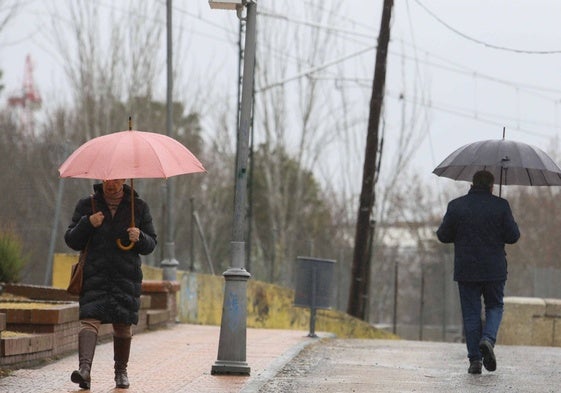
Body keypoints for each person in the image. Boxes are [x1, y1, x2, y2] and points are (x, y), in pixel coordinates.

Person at [65, 179, 157, 389]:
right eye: (107, 180)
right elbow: (71, 240)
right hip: (94, 274)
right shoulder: (87, 204)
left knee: (123, 324)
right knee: (89, 320)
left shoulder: (138, 207)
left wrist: (140, 236)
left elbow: (151, 243)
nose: (111, 185)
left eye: (116, 180)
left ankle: (121, 372)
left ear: (124, 180)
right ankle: (84, 371)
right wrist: (88, 223)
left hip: (126, 276)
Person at [436, 170, 520, 375]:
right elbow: (513, 236)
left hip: (467, 270)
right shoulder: (501, 206)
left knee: (471, 314)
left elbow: (443, 235)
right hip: (494, 270)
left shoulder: (456, 206)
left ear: (472, 184)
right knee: (494, 306)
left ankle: (475, 360)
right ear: (492, 186)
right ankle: (488, 339)